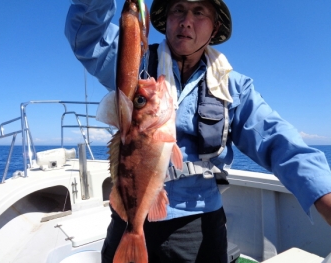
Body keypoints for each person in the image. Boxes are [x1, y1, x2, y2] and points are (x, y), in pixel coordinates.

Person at [65, 0, 331, 262]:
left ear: (214, 29)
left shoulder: (233, 87)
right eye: (178, 9)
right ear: (165, 20)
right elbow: (89, 34)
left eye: (199, 12)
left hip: (197, 223)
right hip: (129, 215)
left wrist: (323, 191)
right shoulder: (134, 61)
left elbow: (275, 138)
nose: (186, 21)